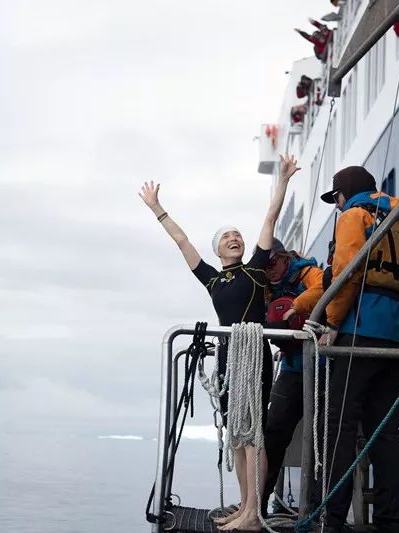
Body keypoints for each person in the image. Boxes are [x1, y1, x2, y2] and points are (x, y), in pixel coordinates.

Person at [138, 154, 300, 532]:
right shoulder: (212, 279)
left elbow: (270, 218)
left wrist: (284, 181)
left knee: (253, 433)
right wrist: (157, 208)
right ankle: (245, 508)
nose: (235, 237)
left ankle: (253, 514)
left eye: (237, 234)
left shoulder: (256, 269)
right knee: (237, 434)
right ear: (217, 250)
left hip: (253, 354)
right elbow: (182, 241)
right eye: (227, 236)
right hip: (228, 358)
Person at [317, 166, 399, 533]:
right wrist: (396, 330)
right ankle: (393, 523)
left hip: (356, 338)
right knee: (385, 432)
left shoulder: (354, 216)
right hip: (394, 344)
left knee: (340, 427)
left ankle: (331, 519)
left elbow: (347, 272)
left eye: (335, 199)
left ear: (342, 195)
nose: (337, 206)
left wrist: (333, 323)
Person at [259, 238, 326, 513]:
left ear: (286, 257)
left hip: (323, 366)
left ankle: (316, 510)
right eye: (265, 266)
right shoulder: (265, 288)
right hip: (291, 367)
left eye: (273, 263)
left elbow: (326, 288)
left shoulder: (307, 273)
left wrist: (296, 306)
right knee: (273, 433)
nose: (270, 270)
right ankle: (257, 503)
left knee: (323, 440)